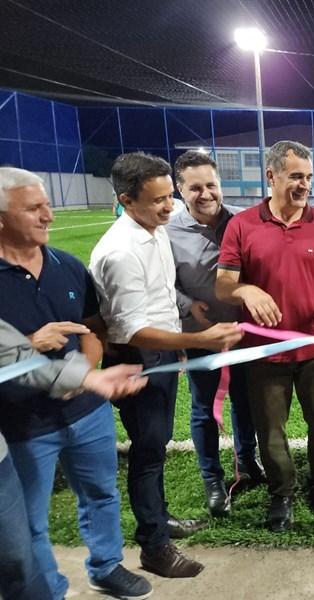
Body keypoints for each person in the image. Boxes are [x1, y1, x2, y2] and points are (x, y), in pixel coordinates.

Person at [0, 167, 152, 600]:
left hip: (88, 410)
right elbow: (7, 356)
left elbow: (93, 329)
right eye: (33, 208)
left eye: (47, 204)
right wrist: (34, 344)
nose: (48, 216)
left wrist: (87, 377)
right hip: (24, 425)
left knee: (101, 493)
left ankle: (106, 566)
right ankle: (48, 590)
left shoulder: (66, 265)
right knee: (27, 522)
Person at [89, 153, 243, 578]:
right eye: (158, 200)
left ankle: (158, 520)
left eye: (169, 196)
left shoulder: (154, 229)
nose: (169, 207)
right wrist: (196, 340)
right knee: (148, 453)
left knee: (154, 448)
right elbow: (131, 331)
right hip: (138, 361)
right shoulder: (121, 252)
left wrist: (183, 315)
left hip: (162, 351)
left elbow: (161, 293)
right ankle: (155, 548)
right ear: (126, 200)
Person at [216, 140, 314, 532]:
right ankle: (282, 492)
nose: (305, 185)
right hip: (263, 352)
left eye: (308, 177)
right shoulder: (242, 225)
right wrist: (246, 291)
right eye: (296, 176)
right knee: (271, 431)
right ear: (271, 176)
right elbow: (223, 285)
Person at [167, 151, 264, 519]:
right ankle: (212, 478)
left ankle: (248, 460)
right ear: (180, 190)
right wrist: (187, 305)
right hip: (202, 337)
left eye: (211, 185)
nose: (205, 193)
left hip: (245, 334)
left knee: (246, 402)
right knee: (205, 408)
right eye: (195, 188)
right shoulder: (167, 232)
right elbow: (163, 283)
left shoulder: (244, 221)